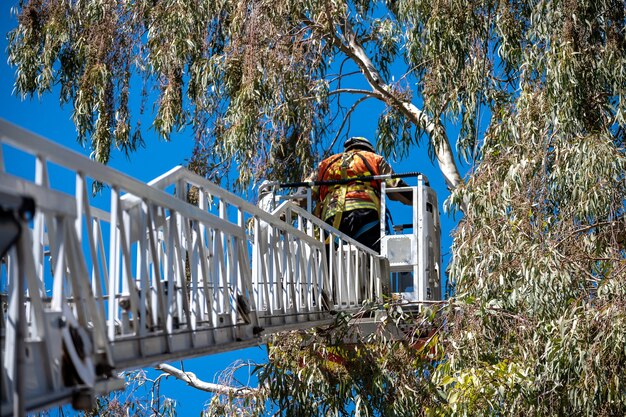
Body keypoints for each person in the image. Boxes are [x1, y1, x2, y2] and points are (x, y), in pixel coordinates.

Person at [308, 136, 413, 252]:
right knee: (372, 259)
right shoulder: (374, 159)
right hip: (365, 214)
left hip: (331, 215)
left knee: (330, 263)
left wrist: (285, 215)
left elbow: (305, 191)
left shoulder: (326, 164)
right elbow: (396, 186)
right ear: (368, 149)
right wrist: (420, 200)